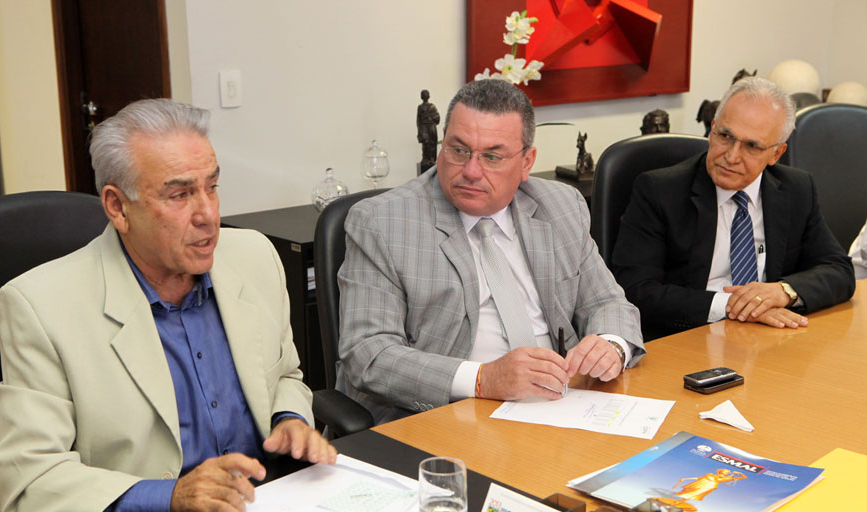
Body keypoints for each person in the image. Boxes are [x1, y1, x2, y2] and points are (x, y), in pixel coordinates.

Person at [0, 99, 336, 512]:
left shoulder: (253, 256)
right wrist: (168, 499)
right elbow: (30, 481)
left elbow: (285, 374)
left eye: (212, 187)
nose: (208, 215)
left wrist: (288, 418)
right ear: (118, 207)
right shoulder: (40, 306)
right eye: (179, 195)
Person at [337, 79, 644, 425]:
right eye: (458, 150)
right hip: (444, 415)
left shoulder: (561, 205)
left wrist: (611, 345)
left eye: (492, 157)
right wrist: (483, 379)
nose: (470, 171)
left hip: (561, 405)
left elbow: (608, 303)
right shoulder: (382, 221)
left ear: (527, 162)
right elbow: (368, 353)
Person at [612, 77, 855, 340]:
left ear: (776, 154)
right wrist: (735, 306)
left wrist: (783, 292)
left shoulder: (796, 189)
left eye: (752, 146)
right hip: (690, 337)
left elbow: (839, 270)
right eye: (726, 136)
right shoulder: (660, 191)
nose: (731, 156)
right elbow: (635, 289)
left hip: (768, 340)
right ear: (712, 129)